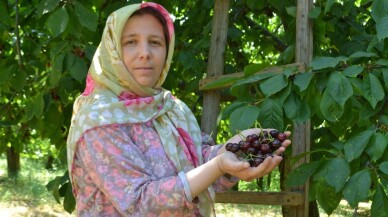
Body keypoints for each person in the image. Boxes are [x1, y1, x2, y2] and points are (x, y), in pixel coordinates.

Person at [66, 2, 291, 217]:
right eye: (130, 42)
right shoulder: (98, 119)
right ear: (111, 49)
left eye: (155, 42)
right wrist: (218, 165)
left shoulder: (170, 108)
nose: (145, 52)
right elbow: (139, 204)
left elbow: (199, 162)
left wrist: (232, 150)